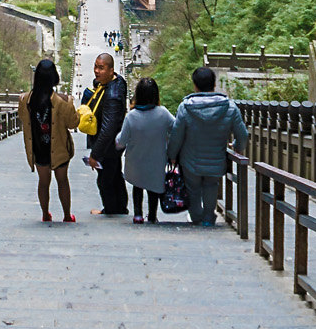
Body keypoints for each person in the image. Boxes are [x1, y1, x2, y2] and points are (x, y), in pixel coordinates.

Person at [170, 64, 248, 228]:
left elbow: (176, 135)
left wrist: (172, 154)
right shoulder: (229, 107)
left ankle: (196, 216)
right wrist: (237, 147)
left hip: (190, 160)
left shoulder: (186, 107)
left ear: (195, 85)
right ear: (214, 84)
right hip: (216, 159)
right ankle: (207, 218)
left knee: (193, 189)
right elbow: (243, 134)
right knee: (211, 186)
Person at [21, 58, 76, 223]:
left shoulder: (25, 100)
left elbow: (23, 119)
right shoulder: (63, 101)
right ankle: (67, 215)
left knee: (43, 182)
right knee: (62, 181)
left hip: (38, 147)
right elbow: (73, 123)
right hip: (59, 147)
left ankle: (45, 214)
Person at [118, 77, 177, 223]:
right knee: (153, 188)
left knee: (137, 186)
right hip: (156, 160)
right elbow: (176, 128)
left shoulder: (132, 116)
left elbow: (121, 140)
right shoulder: (163, 113)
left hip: (135, 160)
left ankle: (138, 214)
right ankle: (152, 215)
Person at [83, 51, 130, 216]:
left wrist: (95, 154)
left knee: (105, 180)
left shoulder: (112, 95)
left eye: (101, 68)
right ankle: (120, 207)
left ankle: (111, 209)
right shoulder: (114, 83)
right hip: (114, 143)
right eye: (96, 67)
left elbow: (108, 127)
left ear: (111, 70)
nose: (96, 71)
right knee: (115, 174)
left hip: (109, 144)